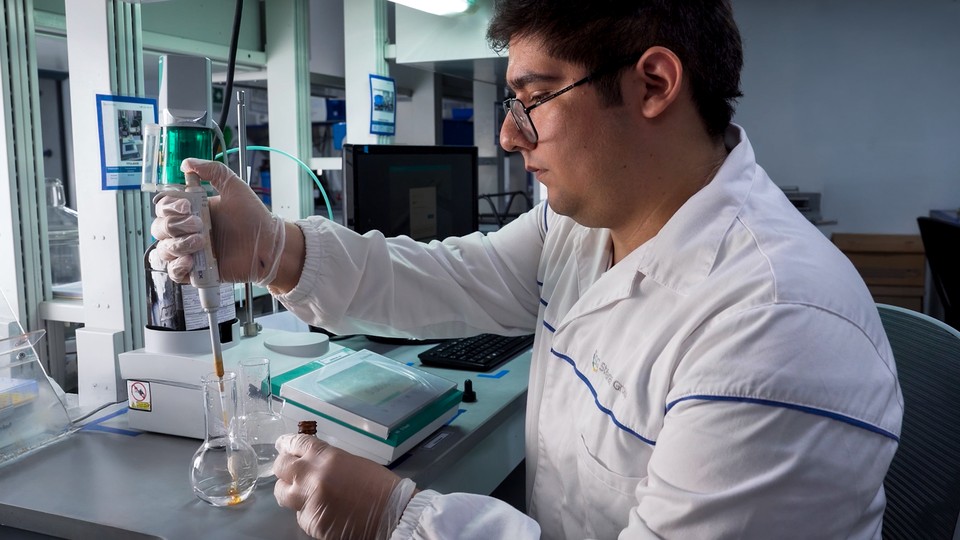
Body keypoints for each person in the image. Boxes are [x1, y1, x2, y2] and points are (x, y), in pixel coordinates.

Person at [151, 1, 903, 538]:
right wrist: (273, 249)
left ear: (653, 84)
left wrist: (401, 519)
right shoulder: (578, 229)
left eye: (536, 99)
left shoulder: (777, 328)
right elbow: (441, 278)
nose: (510, 136)